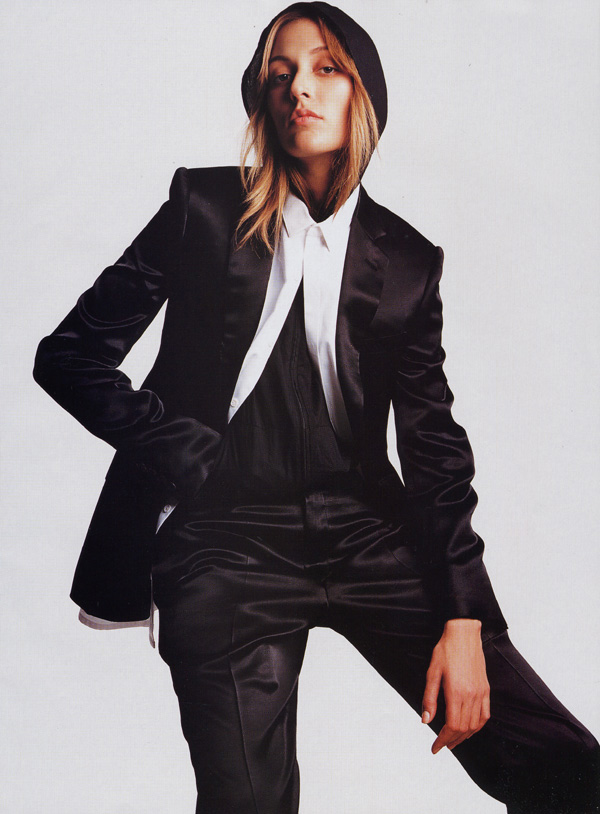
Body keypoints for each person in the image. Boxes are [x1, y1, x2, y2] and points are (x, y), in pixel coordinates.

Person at [33, 3, 599, 812]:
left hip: (367, 535)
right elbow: (69, 356)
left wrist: (465, 621)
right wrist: (177, 445)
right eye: (281, 73)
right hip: (224, 544)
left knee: (571, 771)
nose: (300, 86)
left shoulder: (406, 262)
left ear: (363, 95)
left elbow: (434, 450)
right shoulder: (203, 210)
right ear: (263, 101)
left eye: (326, 67)